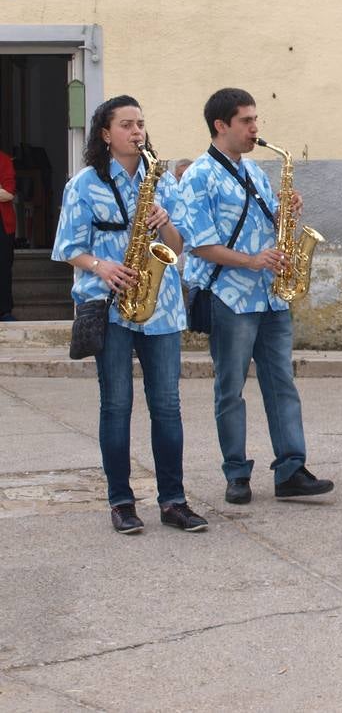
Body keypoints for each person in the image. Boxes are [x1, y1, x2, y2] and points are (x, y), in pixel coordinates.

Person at [50, 96, 207, 534]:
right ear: (105, 133)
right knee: (116, 406)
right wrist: (103, 266)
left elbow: (178, 248)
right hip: (110, 304)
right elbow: (68, 248)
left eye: (140, 124)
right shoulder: (84, 184)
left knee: (167, 407)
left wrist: (163, 223)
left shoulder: (162, 180)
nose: (137, 132)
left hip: (161, 306)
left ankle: (173, 501)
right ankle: (121, 501)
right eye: (126, 124)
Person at [179, 87, 334, 505]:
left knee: (282, 383)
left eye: (255, 120)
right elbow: (198, 245)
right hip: (229, 297)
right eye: (246, 121)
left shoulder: (256, 173)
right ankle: (236, 473)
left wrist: (287, 213)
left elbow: (267, 227)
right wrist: (252, 261)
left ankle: (291, 470)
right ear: (221, 125)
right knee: (230, 388)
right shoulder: (197, 176)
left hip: (269, 297)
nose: (255, 128)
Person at [0, 148, 15, 321]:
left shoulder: (3, 159)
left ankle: (4, 311)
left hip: (2, 225)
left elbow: (8, 193)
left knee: (3, 268)